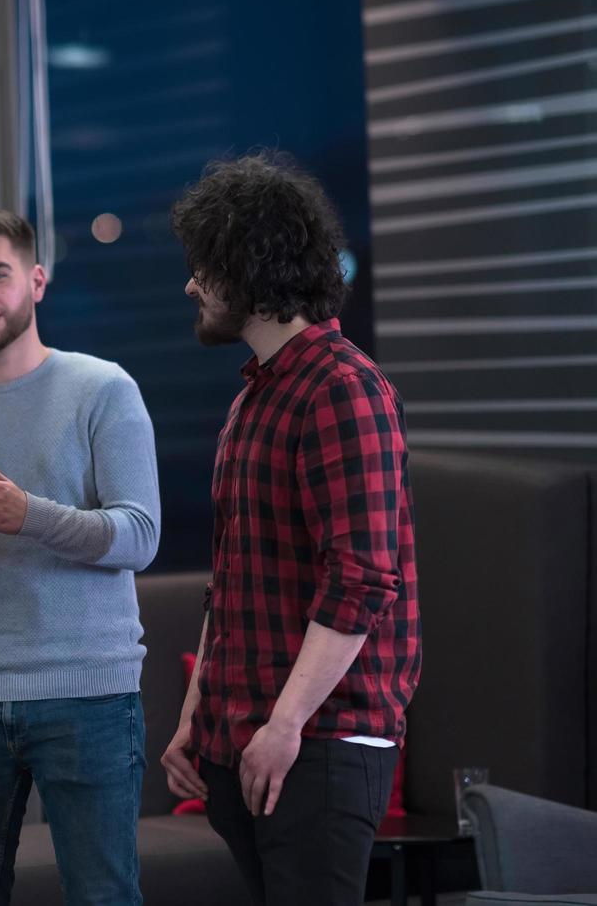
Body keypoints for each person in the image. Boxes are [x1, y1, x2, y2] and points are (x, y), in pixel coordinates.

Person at [160, 152, 421, 906]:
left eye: (203, 267)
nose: (191, 286)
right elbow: (233, 579)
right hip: (250, 738)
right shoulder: (253, 401)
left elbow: (362, 580)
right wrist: (194, 716)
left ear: (249, 269)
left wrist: (285, 726)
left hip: (320, 742)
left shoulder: (344, 388)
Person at [0, 208, 162, 906]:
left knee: (103, 895)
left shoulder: (103, 389)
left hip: (89, 694)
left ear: (37, 281)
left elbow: (141, 535)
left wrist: (29, 516)